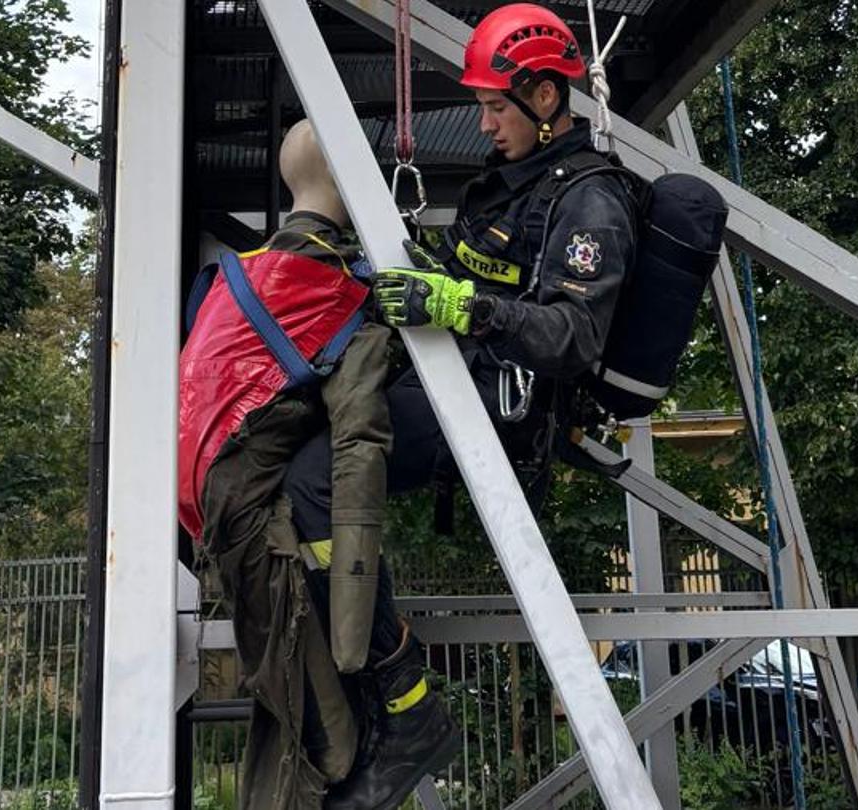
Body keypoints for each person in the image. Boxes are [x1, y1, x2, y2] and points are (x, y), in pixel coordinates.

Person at [281, 3, 638, 807]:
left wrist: (462, 308)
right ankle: (366, 694)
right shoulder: (509, 186)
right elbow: (473, 275)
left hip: (498, 407)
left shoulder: (590, 201)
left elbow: (574, 335)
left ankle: (405, 705)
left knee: (312, 483)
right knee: (289, 431)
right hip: (454, 381)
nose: (482, 123)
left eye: (495, 105)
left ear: (546, 98)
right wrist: (418, 272)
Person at [180, 120, 447, 810]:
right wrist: (362, 644)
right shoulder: (334, 296)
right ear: (357, 182)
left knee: (290, 715)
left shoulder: (231, 280)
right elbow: (357, 453)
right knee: (326, 740)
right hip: (259, 537)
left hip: (211, 533)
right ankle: (410, 708)